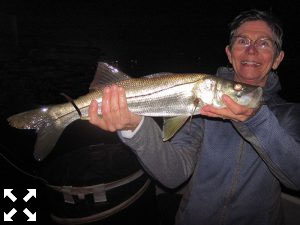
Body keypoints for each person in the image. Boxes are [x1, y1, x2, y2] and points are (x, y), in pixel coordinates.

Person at [88, 9, 300, 225]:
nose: (251, 50)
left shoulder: (288, 113)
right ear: (229, 53)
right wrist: (135, 128)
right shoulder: (202, 107)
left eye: (264, 43)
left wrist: (256, 121)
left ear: (277, 59)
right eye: (243, 41)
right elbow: (174, 175)